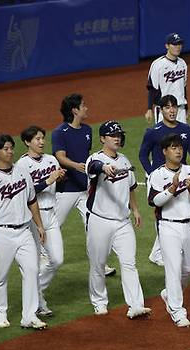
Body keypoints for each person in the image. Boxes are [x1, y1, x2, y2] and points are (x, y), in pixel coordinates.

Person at [0, 134, 48, 330]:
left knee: (32, 270)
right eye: (6, 149)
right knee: (0, 276)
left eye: (11, 148)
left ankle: (29, 316)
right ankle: (0, 315)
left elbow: (32, 200)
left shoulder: (22, 171)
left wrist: (39, 225)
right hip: (1, 233)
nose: (10, 152)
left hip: (24, 231)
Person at [85, 121, 151, 318]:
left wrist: (136, 210)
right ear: (103, 138)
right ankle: (99, 301)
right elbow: (95, 167)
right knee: (98, 263)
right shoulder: (94, 159)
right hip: (99, 220)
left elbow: (130, 188)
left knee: (129, 263)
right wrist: (104, 167)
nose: (117, 137)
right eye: (112, 135)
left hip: (123, 222)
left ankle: (136, 305)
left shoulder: (124, 160)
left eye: (119, 134)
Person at [139, 94, 190, 266]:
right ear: (160, 110)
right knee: (163, 214)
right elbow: (142, 154)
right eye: (167, 107)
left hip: (181, 176)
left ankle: (158, 252)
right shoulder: (153, 132)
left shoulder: (186, 130)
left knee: (179, 211)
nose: (171, 110)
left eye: (174, 107)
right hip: (161, 178)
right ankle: (160, 252)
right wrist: (150, 174)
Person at [52, 93, 116, 277]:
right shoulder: (60, 132)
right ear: (74, 110)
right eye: (83, 105)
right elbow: (60, 156)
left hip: (85, 189)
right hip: (66, 190)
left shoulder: (87, 130)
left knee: (93, 227)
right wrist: (76, 166)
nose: (86, 108)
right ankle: (41, 254)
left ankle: (99, 264)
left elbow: (87, 156)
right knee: (53, 224)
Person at [148, 133, 190, 327]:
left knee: (189, 268)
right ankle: (177, 310)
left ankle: (169, 293)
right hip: (168, 226)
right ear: (165, 152)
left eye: (180, 147)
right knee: (172, 270)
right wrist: (172, 188)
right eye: (173, 147)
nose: (178, 150)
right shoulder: (156, 174)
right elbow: (154, 201)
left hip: (189, 224)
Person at [15, 126, 67, 316]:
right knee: (34, 262)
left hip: (51, 214)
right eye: (37, 139)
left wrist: (60, 177)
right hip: (32, 218)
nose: (41, 142)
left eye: (42, 138)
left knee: (57, 260)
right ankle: (37, 303)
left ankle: (34, 292)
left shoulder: (51, 159)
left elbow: (57, 182)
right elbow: (25, 193)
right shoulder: (22, 165)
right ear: (27, 142)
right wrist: (48, 180)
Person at [145, 32, 187, 124]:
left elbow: (183, 87)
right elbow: (152, 88)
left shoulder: (183, 64)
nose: (178, 47)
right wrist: (149, 108)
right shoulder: (158, 64)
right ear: (167, 46)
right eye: (175, 44)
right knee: (165, 138)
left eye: (179, 44)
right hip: (164, 109)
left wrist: (186, 108)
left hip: (181, 109)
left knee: (182, 137)